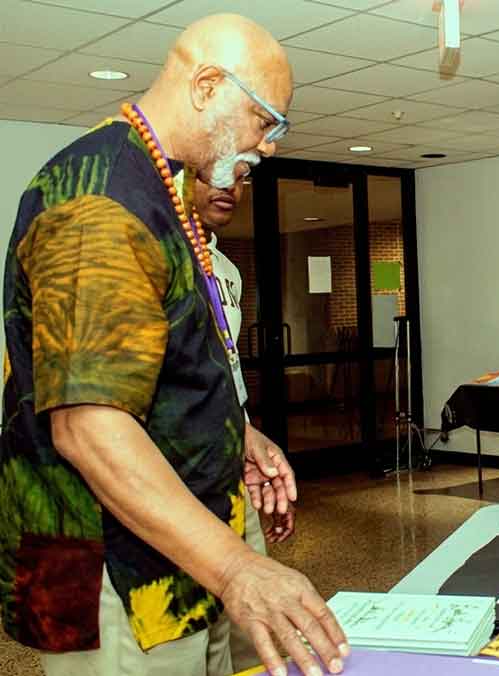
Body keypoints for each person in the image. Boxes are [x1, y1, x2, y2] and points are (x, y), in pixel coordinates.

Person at [1, 14, 348, 676]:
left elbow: (161, 365)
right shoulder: (101, 204)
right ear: (208, 85)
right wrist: (239, 568)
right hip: (109, 570)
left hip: (171, 551)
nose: (268, 146)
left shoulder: (157, 186)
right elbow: (89, 427)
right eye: (265, 119)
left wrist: (235, 433)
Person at [194, 176, 296, 672]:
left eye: (242, 177)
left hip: (226, 462)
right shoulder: (147, 258)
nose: (230, 187)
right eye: (213, 175)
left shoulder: (226, 271)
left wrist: (246, 434)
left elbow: (226, 367)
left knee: (244, 636)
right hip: (173, 474)